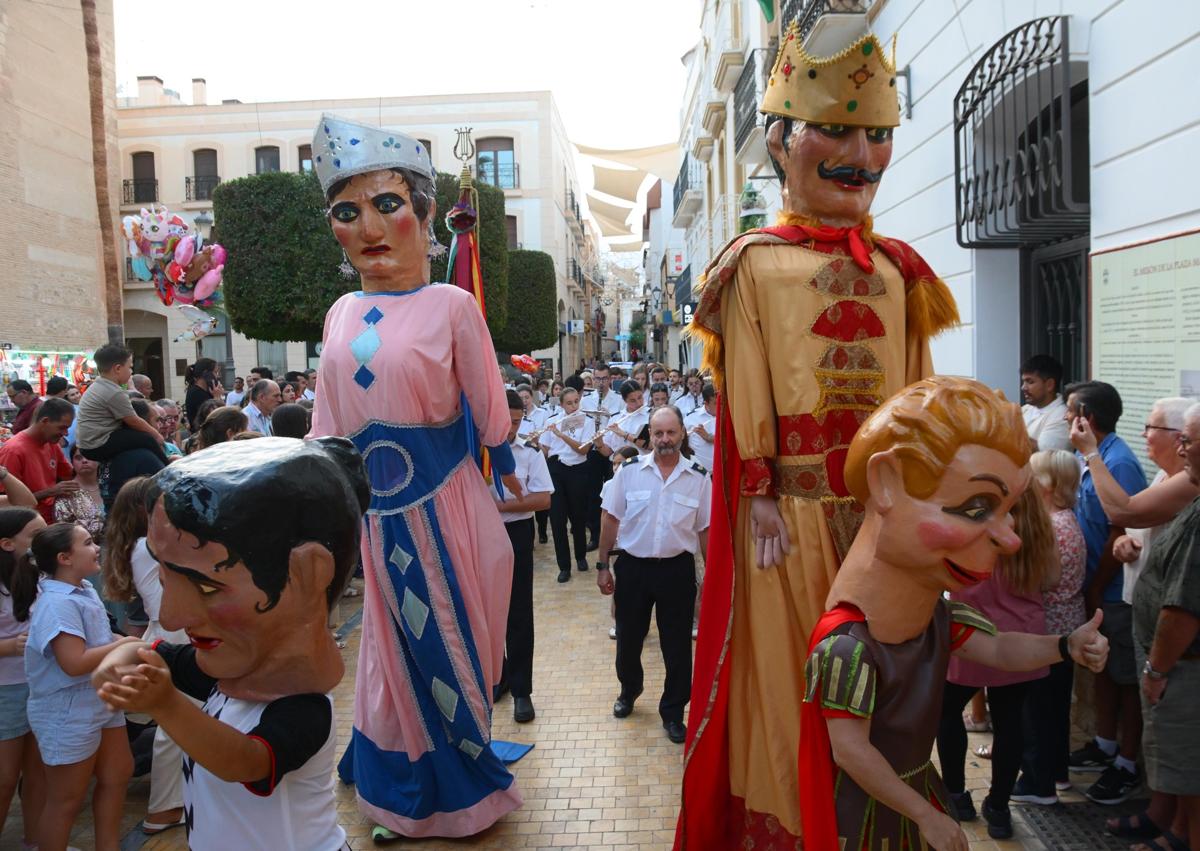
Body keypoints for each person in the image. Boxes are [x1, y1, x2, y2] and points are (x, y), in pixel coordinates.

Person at [678, 27, 961, 848]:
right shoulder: (751, 264)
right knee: (792, 680)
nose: (859, 153)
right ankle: (793, 825)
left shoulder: (902, 271)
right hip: (790, 521)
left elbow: (917, 402)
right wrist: (759, 490)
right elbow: (748, 386)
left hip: (880, 520)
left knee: (887, 669)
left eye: (876, 134)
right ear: (780, 141)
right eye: (834, 131)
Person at [305, 113, 524, 839]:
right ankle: (399, 792)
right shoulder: (340, 313)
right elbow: (328, 423)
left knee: (452, 642)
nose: (367, 225)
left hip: (448, 508)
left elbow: (490, 408)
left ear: (424, 215)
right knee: (388, 654)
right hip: (378, 517)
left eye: (387, 204)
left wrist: (505, 456)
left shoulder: (452, 305)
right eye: (347, 211)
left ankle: (460, 790)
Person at [797, 376, 1108, 851]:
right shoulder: (847, 647)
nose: (1010, 539)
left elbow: (1000, 647)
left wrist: (1066, 645)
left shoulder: (936, 619)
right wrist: (924, 814)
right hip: (868, 818)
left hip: (916, 795)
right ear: (887, 485)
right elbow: (850, 750)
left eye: (1007, 511)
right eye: (976, 507)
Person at [92, 437, 368, 851]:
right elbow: (156, 653)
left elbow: (243, 762)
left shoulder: (304, 709)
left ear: (308, 574)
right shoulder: (222, 676)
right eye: (167, 581)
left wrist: (166, 705)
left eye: (205, 586)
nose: (170, 617)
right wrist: (122, 659)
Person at [1071, 397, 1199, 833]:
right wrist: (1128, 546)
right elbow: (1135, 528)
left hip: (1178, 651)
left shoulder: (1187, 483)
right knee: (1162, 734)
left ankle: (1174, 827)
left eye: (1152, 427)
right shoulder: (1172, 475)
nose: (1144, 434)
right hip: (1148, 623)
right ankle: (1165, 818)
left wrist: (1090, 452)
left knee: (1174, 738)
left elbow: (1122, 511)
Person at [936, 486, 1058, 839]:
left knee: (947, 711)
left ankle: (957, 795)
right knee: (1010, 722)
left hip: (972, 631)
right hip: (1022, 634)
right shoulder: (1038, 527)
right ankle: (1000, 809)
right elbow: (1050, 580)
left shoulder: (975, 522)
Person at [597, 406, 711, 744]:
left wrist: (710, 581)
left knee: (676, 645)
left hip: (676, 570)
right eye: (658, 433)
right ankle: (629, 690)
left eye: (670, 433)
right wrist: (603, 565)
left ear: (682, 434)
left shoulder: (699, 477)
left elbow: (705, 531)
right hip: (633, 567)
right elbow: (610, 519)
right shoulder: (629, 472)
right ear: (650, 434)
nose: (664, 440)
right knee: (629, 639)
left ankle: (673, 712)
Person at [22, 522, 137, 851]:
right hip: (66, 710)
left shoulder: (84, 589)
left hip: (99, 699)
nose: (96, 547)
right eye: (87, 543)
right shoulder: (58, 603)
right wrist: (126, 644)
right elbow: (74, 663)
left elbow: (100, 641)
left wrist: (130, 643)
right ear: (64, 558)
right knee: (65, 801)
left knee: (117, 776)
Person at [1063, 381, 1148, 801]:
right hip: (1097, 590)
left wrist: (1094, 589)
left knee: (1127, 678)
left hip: (1114, 593)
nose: (1063, 419)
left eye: (1069, 412)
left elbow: (1122, 529)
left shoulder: (1119, 462)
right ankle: (1105, 744)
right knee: (1106, 673)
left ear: (1087, 419)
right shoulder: (1090, 457)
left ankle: (1128, 763)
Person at [1131, 401, 1200, 851]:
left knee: (1190, 771)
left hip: (1183, 671)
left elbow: (1182, 610)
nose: (1182, 448)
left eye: (1189, 440)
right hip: (1180, 669)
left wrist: (1156, 671)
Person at [100, 477, 186, 836]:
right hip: (175, 635)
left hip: (169, 632)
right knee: (176, 724)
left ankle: (172, 802)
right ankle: (164, 808)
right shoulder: (151, 544)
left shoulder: (141, 544)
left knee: (179, 720)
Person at [1013, 449, 1086, 807]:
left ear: (1047, 485)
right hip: (1069, 626)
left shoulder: (1051, 526)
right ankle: (1057, 772)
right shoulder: (1069, 518)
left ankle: (1038, 784)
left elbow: (1048, 578)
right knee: (1056, 708)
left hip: (1051, 631)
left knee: (1038, 709)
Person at [494, 390, 553, 723]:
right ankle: (497, 676)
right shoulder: (475, 453)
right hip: (479, 534)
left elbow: (543, 500)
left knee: (517, 611)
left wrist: (499, 506)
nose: (513, 429)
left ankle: (521, 690)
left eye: (517, 422)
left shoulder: (528, 453)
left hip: (515, 533)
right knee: (486, 610)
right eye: (507, 422)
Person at [0, 507, 47, 850]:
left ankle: (36, 842)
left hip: (42, 685)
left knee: (39, 774)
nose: (41, 541)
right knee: (4, 778)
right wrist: (7, 647)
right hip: (6, 691)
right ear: (6, 543)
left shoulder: (39, 575)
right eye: (34, 535)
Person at [76, 344, 168, 467]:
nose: (131, 372)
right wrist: (157, 435)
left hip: (88, 443)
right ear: (118, 368)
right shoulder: (113, 392)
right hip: (97, 444)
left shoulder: (99, 384)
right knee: (147, 438)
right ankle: (166, 464)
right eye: (130, 367)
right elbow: (134, 421)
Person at [543, 386, 596, 583]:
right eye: (569, 403)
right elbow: (546, 450)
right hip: (556, 470)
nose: (574, 406)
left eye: (576, 402)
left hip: (578, 471)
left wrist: (561, 435)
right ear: (562, 403)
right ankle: (563, 566)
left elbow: (583, 450)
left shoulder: (587, 421)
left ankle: (581, 556)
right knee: (557, 520)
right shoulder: (551, 421)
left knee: (578, 517)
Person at [0, 398, 77, 524]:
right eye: (62, 428)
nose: (66, 433)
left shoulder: (51, 443)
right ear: (45, 421)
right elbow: (9, 504)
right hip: (28, 525)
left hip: (54, 519)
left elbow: (69, 475)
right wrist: (50, 491)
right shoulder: (13, 450)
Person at [1020, 355, 1071, 451]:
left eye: (1030, 382)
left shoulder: (1063, 416)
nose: (1023, 388)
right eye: (1024, 382)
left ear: (1049, 385)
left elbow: (1046, 454)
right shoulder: (1026, 409)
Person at [54, 446, 104, 541]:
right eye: (78, 458)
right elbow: (64, 531)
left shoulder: (109, 486)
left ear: (99, 460)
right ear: (72, 462)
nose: (84, 461)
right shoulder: (66, 491)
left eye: (89, 456)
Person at [182, 358, 224, 433]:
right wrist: (217, 399)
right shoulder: (196, 393)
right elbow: (214, 418)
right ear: (206, 373)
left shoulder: (206, 391)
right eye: (215, 372)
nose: (217, 376)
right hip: (202, 436)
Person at [685, 385, 717, 474]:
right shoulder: (691, 418)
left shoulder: (729, 417)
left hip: (723, 474)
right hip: (699, 474)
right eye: (715, 403)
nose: (720, 406)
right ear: (706, 403)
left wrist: (708, 437)